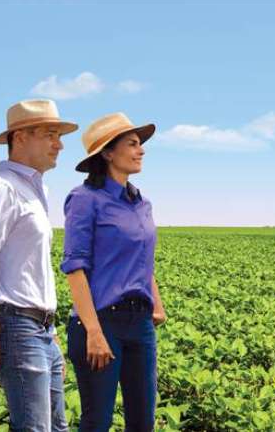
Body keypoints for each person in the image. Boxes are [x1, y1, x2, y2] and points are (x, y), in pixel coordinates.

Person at [0, 99, 78, 430]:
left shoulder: (32, 191)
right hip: (17, 326)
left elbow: (31, 269)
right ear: (21, 137)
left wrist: (52, 335)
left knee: (57, 427)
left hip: (43, 329)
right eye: (51, 134)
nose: (59, 144)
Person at [61, 112, 167, 431]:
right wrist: (93, 331)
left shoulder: (142, 203)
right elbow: (75, 268)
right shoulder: (84, 199)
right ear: (108, 152)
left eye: (141, 144)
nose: (141, 150)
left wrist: (156, 304)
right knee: (97, 422)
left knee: (143, 422)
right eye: (132, 144)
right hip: (100, 321)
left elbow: (143, 259)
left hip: (140, 324)